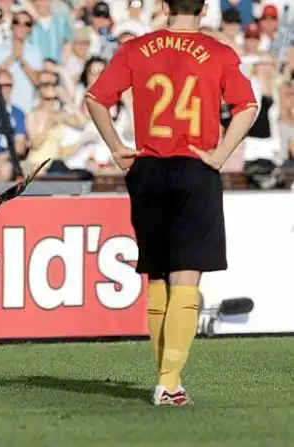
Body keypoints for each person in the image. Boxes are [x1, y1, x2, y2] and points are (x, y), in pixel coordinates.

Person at [84, 0, 258, 406]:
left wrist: (116, 147)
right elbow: (247, 107)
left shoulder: (136, 48)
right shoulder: (218, 52)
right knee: (186, 277)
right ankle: (169, 382)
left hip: (148, 168)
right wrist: (220, 154)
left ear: (164, 6)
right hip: (195, 166)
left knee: (158, 274)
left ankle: (166, 379)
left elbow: (95, 98)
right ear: (205, 8)